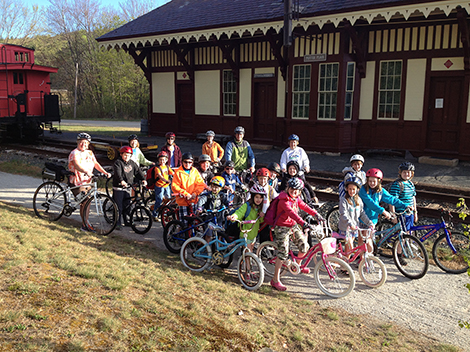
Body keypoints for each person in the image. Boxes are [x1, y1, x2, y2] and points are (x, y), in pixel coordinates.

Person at [271, 177, 324, 291]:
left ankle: (297, 266)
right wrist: (303, 223)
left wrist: (316, 214)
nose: (294, 192)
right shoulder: (283, 200)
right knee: (283, 253)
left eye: (297, 190)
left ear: (300, 191)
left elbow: (304, 206)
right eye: (292, 189)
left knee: (304, 245)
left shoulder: (296, 198)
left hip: (292, 226)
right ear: (288, 188)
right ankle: (275, 280)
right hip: (281, 227)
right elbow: (291, 213)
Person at [68, 132, 111, 232]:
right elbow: (77, 165)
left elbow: (95, 163)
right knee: (84, 202)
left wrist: (105, 172)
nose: (84, 145)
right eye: (81, 142)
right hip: (77, 182)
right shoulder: (74, 153)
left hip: (87, 181)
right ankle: (84, 224)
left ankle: (86, 221)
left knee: (88, 201)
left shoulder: (89, 153)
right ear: (78, 142)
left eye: (86, 143)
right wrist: (85, 171)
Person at [338, 176, 374, 257]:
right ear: (346, 189)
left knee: (350, 249)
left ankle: (346, 262)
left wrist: (369, 223)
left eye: (353, 189)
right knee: (350, 246)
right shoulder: (343, 200)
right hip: (346, 228)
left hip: (354, 228)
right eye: (350, 189)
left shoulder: (358, 200)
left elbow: (362, 214)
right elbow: (343, 214)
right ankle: (345, 266)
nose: (351, 191)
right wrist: (350, 224)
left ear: (357, 190)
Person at [112, 146, 146, 230]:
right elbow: (118, 173)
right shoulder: (118, 163)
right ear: (121, 154)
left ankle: (127, 220)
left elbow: (138, 171)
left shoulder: (132, 163)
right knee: (118, 206)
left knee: (127, 205)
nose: (127, 157)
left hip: (128, 187)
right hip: (119, 187)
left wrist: (143, 179)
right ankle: (117, 222)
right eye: (125, 155)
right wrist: (121, 181)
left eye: (129, 155)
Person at [226, 184, 266, 253]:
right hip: (245, 234)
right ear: (252, 197)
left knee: (247, 253)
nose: (258, 200)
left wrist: (262, 216)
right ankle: (248, 264)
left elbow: (260, 221)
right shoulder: (247, 206)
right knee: (249, 253)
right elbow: (239, 213)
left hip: (253, 235)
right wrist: (234, 217)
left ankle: (242, 263)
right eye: (256, 197)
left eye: (260, 198)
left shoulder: (259, 208)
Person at [171, 152, 206, 224]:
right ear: (182, 162)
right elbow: (175, 186)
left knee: (194, 220)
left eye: (190, 162)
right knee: (184, 222)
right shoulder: (178, 172)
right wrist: (186, 194)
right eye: (185, 162)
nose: (187, 164)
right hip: (183, 200)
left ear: (192, 162)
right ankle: (181, 232)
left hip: (193, 200)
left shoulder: (195, 171)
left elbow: (200, 184)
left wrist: (195, 193)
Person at [196, 176, 231, 242]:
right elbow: (202, 200)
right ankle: (207, 247)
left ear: (221, 188)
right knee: (209, 234)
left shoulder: (221, 195)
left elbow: (226, 201)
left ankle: (219, 248)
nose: (214, 189)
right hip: (209, 216)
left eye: (217, 187)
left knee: (220, 233)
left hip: (219, 217)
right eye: (213, 186)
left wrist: (229, 204)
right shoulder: (208, 195)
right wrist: (200, 207)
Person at [388, 162, 417, 231]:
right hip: (401, 213)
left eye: (408, 172)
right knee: (404, 234)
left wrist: (415, 212)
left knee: (409, 231)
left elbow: (413, 198)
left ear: (412, 174)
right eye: (404, 172)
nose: (406, 174)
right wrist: (393, 215)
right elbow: (392, 200)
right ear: (400, 173)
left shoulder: (411, 184)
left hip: (410, 212)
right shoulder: (398, 185)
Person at [151, 151, 174, 221]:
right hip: (159, 186)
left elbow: (173, 173)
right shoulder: (157, 168)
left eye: (164, 159)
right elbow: (160, 176)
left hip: (166, 186)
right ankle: (155, 214)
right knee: (159, 200)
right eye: (160, 159)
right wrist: (166, 180)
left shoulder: (167, 166)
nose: (162, 161)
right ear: (158, 160)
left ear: (166, 160)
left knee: (169, 199)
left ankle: (165, 212)